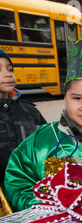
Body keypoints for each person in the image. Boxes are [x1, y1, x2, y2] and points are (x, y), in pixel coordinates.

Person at [4, 31, 82, 211]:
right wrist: (42, 205)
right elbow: (18, 180)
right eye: (77, 98)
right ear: (65, 99)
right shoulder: (41, 138)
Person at [0, 49, 46, 189]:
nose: (8, 74)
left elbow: (46, 146)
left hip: (30, 190)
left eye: (10, 69)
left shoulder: (29, 111)